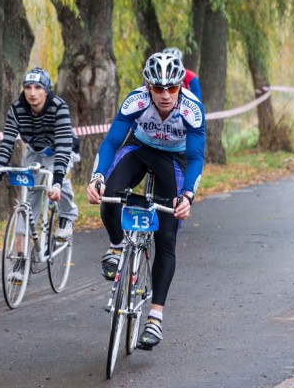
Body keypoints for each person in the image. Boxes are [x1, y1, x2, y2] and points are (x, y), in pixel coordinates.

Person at [86, 52, 205, 348]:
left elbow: (195, 157)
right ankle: (116, 246)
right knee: (110, 196)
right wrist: (97, 177)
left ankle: (155, 318)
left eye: (172, 88)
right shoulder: (136, 100)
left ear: (180, 86)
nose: (165, 95)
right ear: (147, 86)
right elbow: (113, 141)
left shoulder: (192, 108)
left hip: (174, 159)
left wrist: (188, 195)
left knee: (166, 236)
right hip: (139, 148)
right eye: (158, 88)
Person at [0, 67, 79, 280]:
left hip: (59, 149)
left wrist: (55, 183)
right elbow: (7, 143)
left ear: (46, 90)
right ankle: (20, 263)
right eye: (28, 87)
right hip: (34, 152)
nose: (32, 93)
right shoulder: (17, 108)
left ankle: (66, 216)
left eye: (38, 87)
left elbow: (64, 148)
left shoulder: (59, 107)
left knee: (59, 181)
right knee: (27, 202)